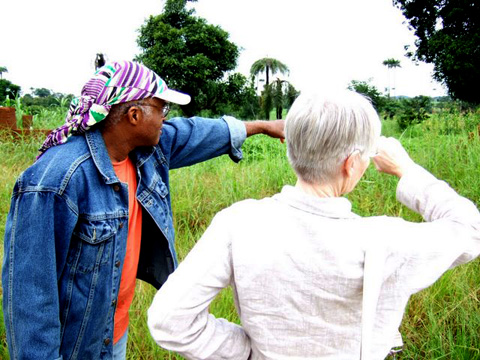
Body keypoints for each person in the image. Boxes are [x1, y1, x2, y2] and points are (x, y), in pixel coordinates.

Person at [147, 90, 480, 359]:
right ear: (351, 164)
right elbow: (470, 230)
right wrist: (407, 170)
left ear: (291, 148)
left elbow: (169, 321)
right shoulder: (385, 240)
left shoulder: (238, 223)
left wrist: (250, 353)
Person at [2, 60, 285, 360]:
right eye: (162, 108)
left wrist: (263, 126)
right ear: (134, 115)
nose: (166, 118)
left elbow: (197, 132)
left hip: (113, 334)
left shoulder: (146, 152)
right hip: (74, 346)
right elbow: (30, 302)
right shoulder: (54, 182)